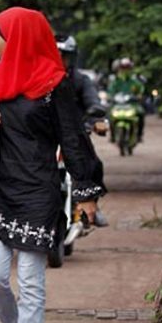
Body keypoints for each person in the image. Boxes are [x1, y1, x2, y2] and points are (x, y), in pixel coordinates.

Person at [0, 7, 100, 323]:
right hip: (0, 190)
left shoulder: (53, 85)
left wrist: (86, 192)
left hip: (39, 192)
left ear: (20, 39)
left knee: (30, 281)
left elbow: (73, 140)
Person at [56, 35, 109, 227]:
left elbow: (93, 101)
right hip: (46, 140)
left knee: (93, 165)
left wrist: (97, 120)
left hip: (76, 137)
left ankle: (91, 204)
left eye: (64, 56)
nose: (60, 60)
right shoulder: (37, 80)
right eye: (55, 55)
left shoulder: (80, 80)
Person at [108, 57, 146, 141]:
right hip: (118, 105)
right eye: (123, 67)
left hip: (132, 104)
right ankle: (112, 135)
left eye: (127, 68)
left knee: (141, 113)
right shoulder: (116, 81)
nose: (125, 70)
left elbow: (141, 89)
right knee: (109, 115)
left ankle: (139, 135)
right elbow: (110, 91)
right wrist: (110, 96)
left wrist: (139, 95)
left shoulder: (134, 81)